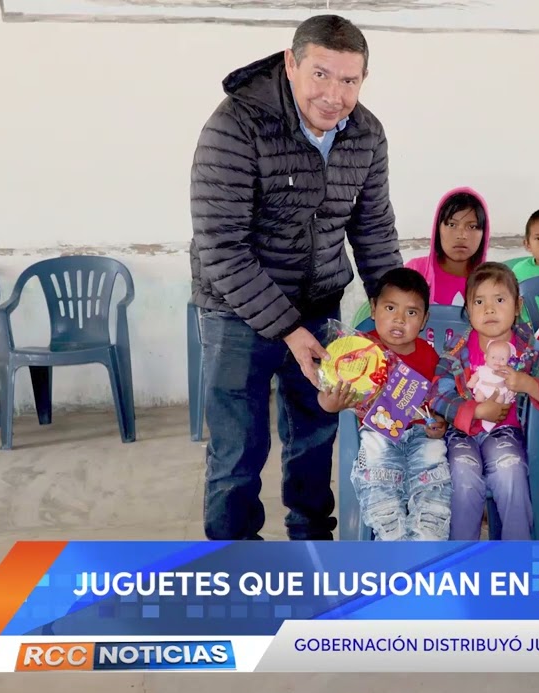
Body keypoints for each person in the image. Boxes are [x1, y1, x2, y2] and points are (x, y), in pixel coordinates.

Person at [190, 15, 402, 541]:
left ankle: (311, 543)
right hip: (236, 312)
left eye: (349, 80)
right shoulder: (235, 125)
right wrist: (287, 328)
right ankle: (235, 557)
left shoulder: (367, 135)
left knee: (314, 433)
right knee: (238, 448)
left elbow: (373, 229)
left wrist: (395, 314)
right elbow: (221, 245)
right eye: (320, 75)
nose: (334, 95)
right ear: (291, 64)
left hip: (319, 305)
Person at [430, 263, 539, 540]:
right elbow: (438, 394)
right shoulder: (457, 349)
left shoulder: (529, 349)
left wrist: (529, 384)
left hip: (506, 433)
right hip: (462, 434)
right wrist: (475, 410)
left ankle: (515, 556)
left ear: (517, 305)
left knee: (510, 471)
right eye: (479, 302)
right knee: (462, 475)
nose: (489, 309)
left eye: (499, 300)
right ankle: (462, 556)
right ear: (468, 310)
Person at [319, 269, 450, 540]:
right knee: (377, 474)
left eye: (411, 312)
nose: (399, 319)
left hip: (420, 435)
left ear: (424, 319)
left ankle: (426, 539)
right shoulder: (357, 350)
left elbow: (438, 401)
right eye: (390, 308)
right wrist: (331, 403)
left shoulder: (429, 355)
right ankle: (392, 539)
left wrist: (439, 422)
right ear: (374, 308)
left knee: (434, 471)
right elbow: (327, 395)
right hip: (377, 433)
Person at [406, 188, 490, 306]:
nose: (461, 235)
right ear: (438, 229)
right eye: (452, 225)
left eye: (472, 227)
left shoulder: (492, 281)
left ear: (484, 233)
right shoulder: (415, 271)